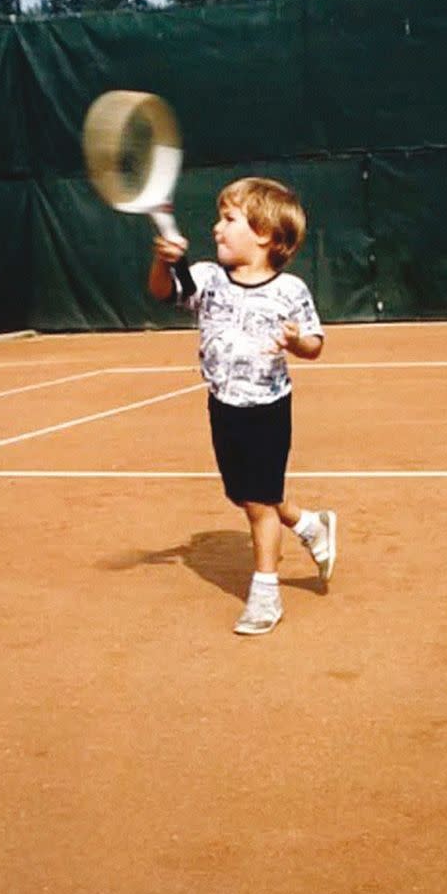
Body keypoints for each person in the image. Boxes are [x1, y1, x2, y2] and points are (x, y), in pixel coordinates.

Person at [148, 176, 337, 636]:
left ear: (265, 234)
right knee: (248, 494)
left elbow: (315, 344)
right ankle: (311, 525)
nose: (216, 228)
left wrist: (297, 342)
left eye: (228, 219)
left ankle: (265, 593)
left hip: (268, 407)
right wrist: (162, 261)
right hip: (222, 405)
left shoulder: (290, 289)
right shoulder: (209, 278)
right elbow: (163, 292)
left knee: (257, 502)